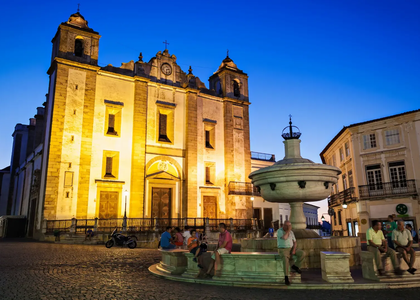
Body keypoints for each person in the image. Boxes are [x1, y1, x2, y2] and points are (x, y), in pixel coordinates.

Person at [277, 221, 304, 286]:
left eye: (290, 226)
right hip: (283, 249)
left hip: (291, 248)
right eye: (287, 226)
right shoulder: (279, 231)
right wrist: (288, 231)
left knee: (302, 253)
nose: (289, 227)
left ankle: (296, 267)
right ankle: (286, 277)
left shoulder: (291, 232)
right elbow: (285, 238)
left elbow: (295, 242)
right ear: (284, 225)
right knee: (285, 260)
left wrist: (294, 249)